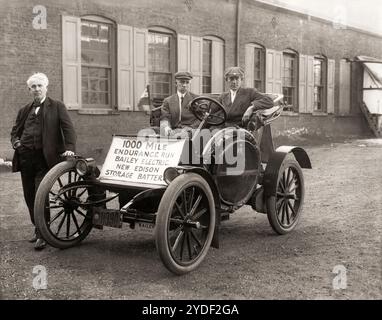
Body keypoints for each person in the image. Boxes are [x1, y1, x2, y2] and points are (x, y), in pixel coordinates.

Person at [10, 73, 76, 250]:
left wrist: (69, 147)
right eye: (33, 87)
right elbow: (15, 132)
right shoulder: (24, 110)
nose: (37, 89)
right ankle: (37, 228)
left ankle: (43, 234)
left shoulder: (56, 106)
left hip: (44, 159)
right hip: (26, 158)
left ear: (46, 87)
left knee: (41, 195)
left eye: (40, 86)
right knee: (29, 195)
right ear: (29, 89)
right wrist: (16, 143)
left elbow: (68, 128)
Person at [160, 71, 200, 137]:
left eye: (187, 82)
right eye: (182, 82)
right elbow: (165, 117)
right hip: (172, 131)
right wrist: (167, 128)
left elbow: (200, 119)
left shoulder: (196, 99)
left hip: (190, 132)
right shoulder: (168, 101)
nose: (184, 85)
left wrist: (190, 129)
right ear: (176, 83)